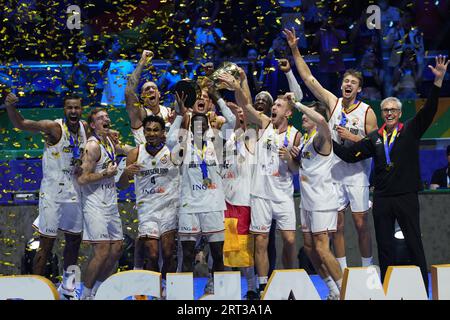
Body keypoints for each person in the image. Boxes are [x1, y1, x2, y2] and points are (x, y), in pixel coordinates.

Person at [332, 55, 448, 293]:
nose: (389, 113)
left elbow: (430, 110)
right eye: (385, 110)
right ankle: (387, 289)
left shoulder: (411, 130)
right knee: (384, 246)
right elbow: (349, 155)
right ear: (381, 113)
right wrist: (326, 137)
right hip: (383, 199)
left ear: (400, 111)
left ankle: (422, 290)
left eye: (393, 109)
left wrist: (438, 81)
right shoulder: (374, 138)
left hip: (406, 196)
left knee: (414, 242)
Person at [284, 27, 377, 271]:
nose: (348, 84)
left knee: (360, 223)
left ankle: (368, 272)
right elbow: (309, 79)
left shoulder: (367, 112)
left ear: (358, 89)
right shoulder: (332, 103)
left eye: (353, 82)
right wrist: (295, 49)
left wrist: (353, 139)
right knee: (335, 224)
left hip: (357, 172)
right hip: (334, 170)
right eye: (346, 80)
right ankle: (344, 273)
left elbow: (375, 145)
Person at [4, 93, 87, 300]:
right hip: (53, 195)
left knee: (74, 242)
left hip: (75, 192)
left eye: (77, 108)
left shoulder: (86, 127)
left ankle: (68, 288)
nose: (73, 111)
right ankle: (35, 291)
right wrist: (10, 107)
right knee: (46, 244)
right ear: (64, 110)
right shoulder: (54, 128)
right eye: (70, 108)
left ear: (81, 109)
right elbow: (22, 124)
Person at [169, 84, 236, 295]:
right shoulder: (184, 143)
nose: (199, 127)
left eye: (203, 124)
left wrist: (217, 97)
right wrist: (181, 115)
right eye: (195, 125)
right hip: (189, 206)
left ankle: (216, 289)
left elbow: (232, 121)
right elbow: (170, 139)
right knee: (187, 254)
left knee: (217, 253)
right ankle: (184, 294)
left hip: (213, 205)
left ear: (208, 126)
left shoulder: (216, 142)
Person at [288, 97, 343, 300]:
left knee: (322, 248)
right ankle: (333, 289)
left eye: (306, 114)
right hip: (307, 201)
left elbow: (321, 121)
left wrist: (298, 105)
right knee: (310, 249)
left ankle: (346, 291)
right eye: (302, 113)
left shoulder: (323, 136)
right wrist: (290, 158)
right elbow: (297, 170)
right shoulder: (306, 141)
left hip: (322, 201)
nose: (303, 116)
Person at [118, 115, 179, 296]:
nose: (151, 134)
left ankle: (167, 288)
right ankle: (153, 288)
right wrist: (125, 173)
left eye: (155, 130)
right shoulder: (135, 153)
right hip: (147, 209)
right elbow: (121, 184)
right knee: (152, 254)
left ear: (163, 133)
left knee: (168, 253)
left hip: (169, 207)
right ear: (143, 132)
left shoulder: (172, 152)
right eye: (148, 130)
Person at [77, 108, 132, 300]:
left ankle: (97, 291)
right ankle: (84, 295)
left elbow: (124, 150)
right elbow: (82, 179)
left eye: (107, 116)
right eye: (100, 118)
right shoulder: (92, 146)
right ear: (93, 125)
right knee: (102, 251)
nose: (106, 119)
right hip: (94, 204)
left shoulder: (108, 140)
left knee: (117, 247)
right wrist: (104, 174)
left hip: (110, 202)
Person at [125, 50, 173, 145]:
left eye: (154, 88)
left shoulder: (168, 112)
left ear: (159, 94)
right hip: (145, 157)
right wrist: (142, 61)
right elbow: (129, 92)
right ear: (142, 97)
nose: (151, 90)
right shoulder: (140, 113)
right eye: (147, 89)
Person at [99, 37, 135, 107]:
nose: (118, 46)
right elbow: (103, 70)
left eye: (118, 44)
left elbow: (133, 83)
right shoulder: (102, 63)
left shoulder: (128, 64)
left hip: (125, 103)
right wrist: (110, 54)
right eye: (115, 44)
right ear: (109, 48)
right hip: (107, 103)